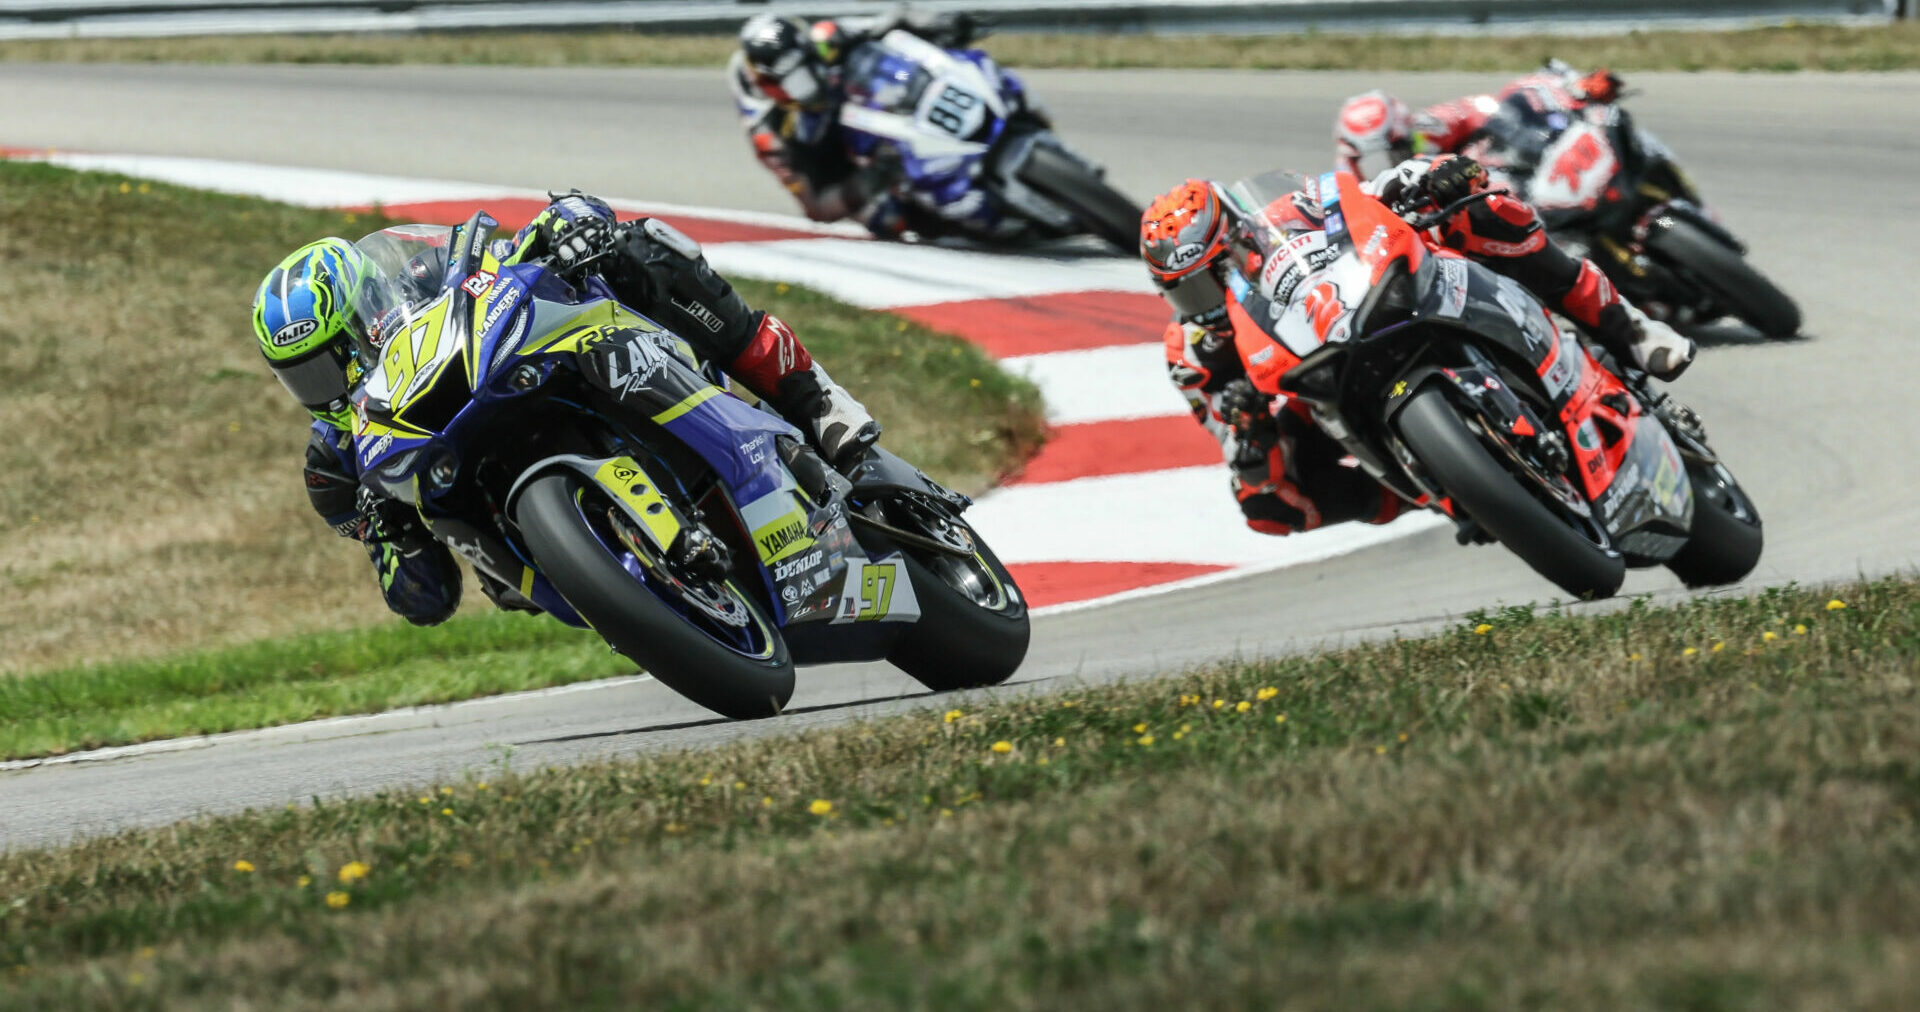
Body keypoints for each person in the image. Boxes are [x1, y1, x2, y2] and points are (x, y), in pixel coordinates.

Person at [251, 191, 880, 626]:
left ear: (367, 308)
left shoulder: (419, 276)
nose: (328, 386)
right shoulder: (335, 467)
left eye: (334, 359)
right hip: (523, 539)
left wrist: (568, 223)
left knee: (638, 249)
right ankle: (644, 587)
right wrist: (390, 532)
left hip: (537, 359)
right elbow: (427, 600)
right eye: (305, 376)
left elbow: (502, 252)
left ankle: (815, 399)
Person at [1139, 154, 1693, 539]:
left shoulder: (1289, 212)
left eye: (1212, 278)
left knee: (1482, 211)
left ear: (1240, 234)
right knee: (1263, 506)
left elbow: (1366, 194)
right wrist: (1246, 428)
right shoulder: (1191, 353)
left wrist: (1438, 177)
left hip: (1380, 298)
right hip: (1316, 381)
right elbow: (1226, 439)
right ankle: (1429, 490)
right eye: (1185, 292)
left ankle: (1631, 329)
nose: (1206, 300)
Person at [727, 9, 982, 237]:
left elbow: (891, 21)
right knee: (888, 219)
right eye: (797, 83)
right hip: (843, 161)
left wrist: (939, 24)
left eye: (808, 66)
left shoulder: (824, 38)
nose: (809, 85)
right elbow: (815, 206)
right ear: (772, 87)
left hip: (873, 102)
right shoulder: (771, 135)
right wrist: (871, 178)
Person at [1334, 61, 1625, 177]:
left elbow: (1493, 105)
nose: (1391, 160)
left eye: (1396, 147)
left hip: (1502, 182)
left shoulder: (1425, 129)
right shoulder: (1352, 193)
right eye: (1376, 158)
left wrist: (1572, 90)